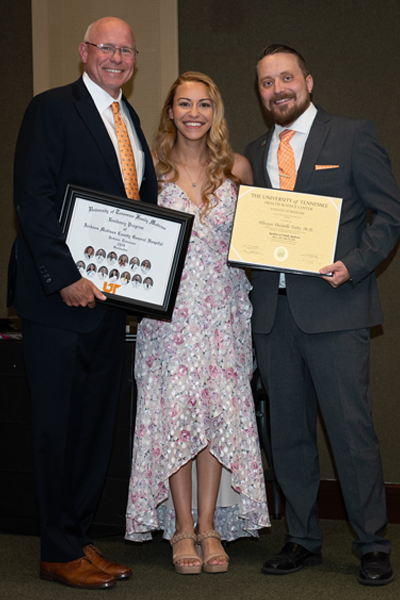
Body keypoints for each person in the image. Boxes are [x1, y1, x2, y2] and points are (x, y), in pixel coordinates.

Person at [7, 16, 157, 590]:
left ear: (134, 59)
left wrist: (144, 281)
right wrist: (65, 276)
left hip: (110, 302)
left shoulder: (130, 118)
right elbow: (34, 199)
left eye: (125, 49)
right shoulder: (51, 108)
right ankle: (55, 551)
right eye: (106, 47)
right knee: (57, 426)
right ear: (83, 52)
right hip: (61, 301)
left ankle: (76, 537)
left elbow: (134, 212)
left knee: (95, 427)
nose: (116, 57)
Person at [245, 44, 400, 586]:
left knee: (351, 432)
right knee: (287, 433)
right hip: (273, 314)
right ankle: (303, 538)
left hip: (336, 307)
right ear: (261, 93)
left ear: (308, 81)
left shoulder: (352, 135)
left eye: (286, 77)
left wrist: (354, 265)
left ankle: (372, 544)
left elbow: (390, 213)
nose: (278, 88)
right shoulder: (253, 151)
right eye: (267, 83)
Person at [125, 71, 270, 575]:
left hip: (225, 311)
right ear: (170, 112)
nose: (193, 113)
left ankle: (209, 527)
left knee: (215, 418)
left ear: (216, 113)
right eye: (184, 104)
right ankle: (181, 528)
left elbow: (260, 242)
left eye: (204, 105)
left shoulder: (238, 170)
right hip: (169, 317)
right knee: (175, 418)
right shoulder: (149, 174)